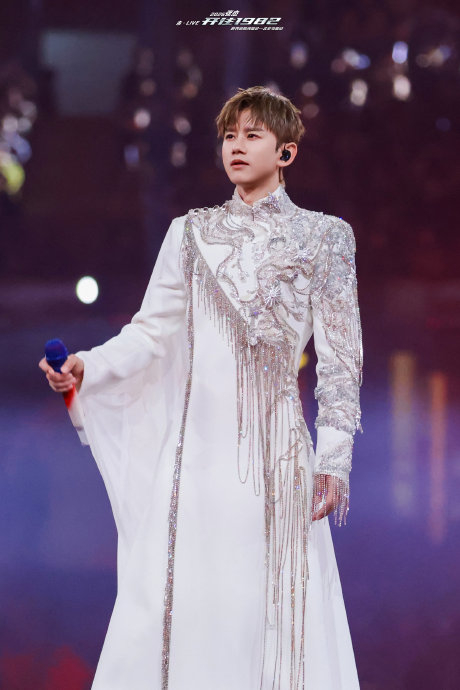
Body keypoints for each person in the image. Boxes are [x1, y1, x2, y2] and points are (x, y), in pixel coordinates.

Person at [39, 85, 363, 690]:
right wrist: (89, 365)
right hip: (193, 461)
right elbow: (149, 333)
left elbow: (341, 364)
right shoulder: (189, 235)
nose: (236, 146)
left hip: (276, 458)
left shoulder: (325, 239)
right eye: (228, 136)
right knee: (179, 605)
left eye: (252, 135)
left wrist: (334, 459)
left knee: (271, 611)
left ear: (286, 151)